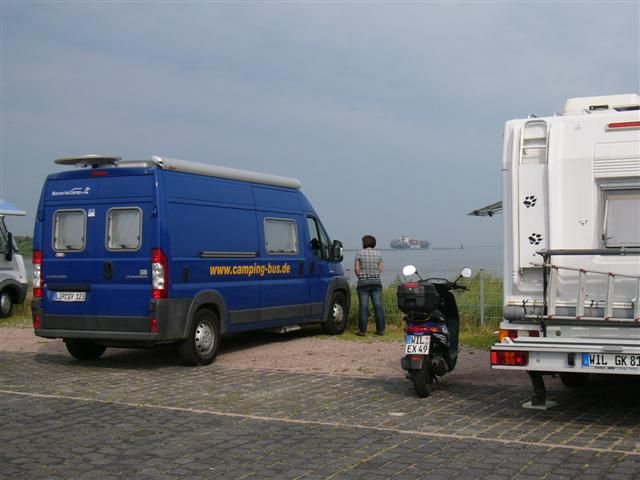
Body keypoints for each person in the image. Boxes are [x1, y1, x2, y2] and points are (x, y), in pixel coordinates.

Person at [354, 234, 385, 336]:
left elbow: (357, 269)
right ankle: (380, 330)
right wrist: (375, 275)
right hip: (376, 282)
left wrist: (361, 277)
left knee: (363, 307)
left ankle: (362, 331)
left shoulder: (359, 253)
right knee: (378, 306)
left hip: (363, 283)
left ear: (364, 243)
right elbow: (380, 268)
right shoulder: (378, 254)